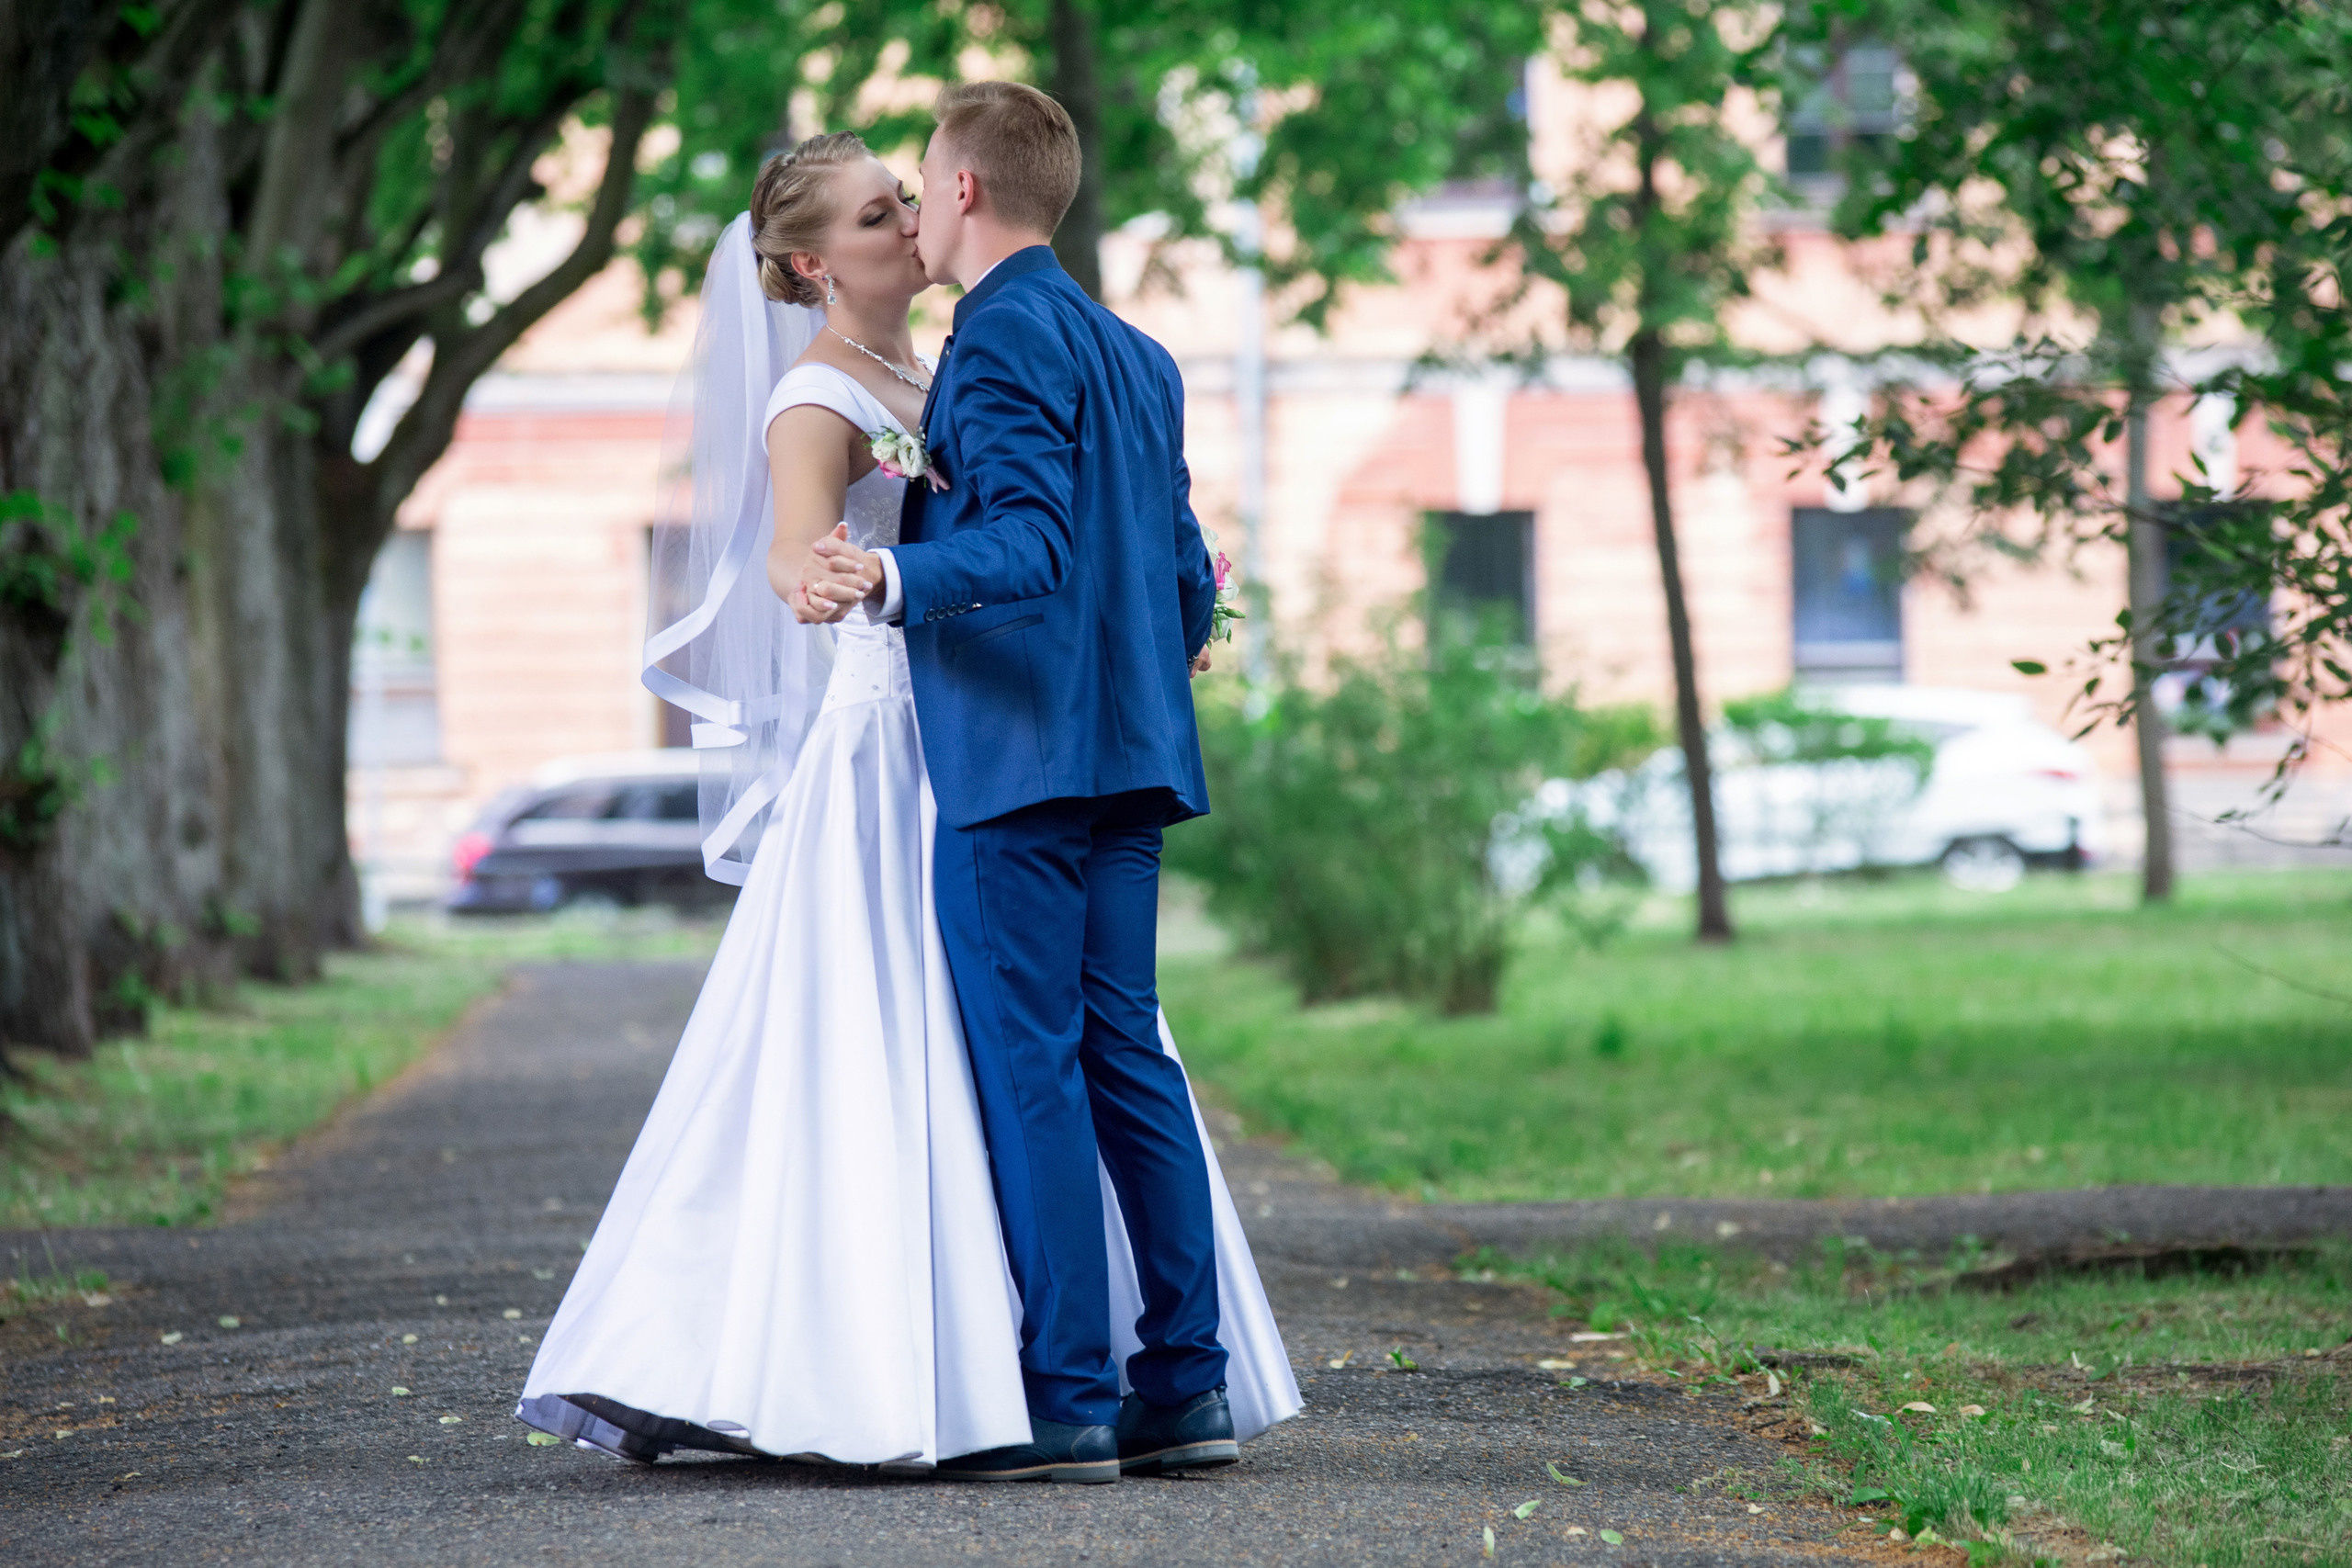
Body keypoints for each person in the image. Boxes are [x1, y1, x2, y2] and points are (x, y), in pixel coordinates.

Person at [513, 112, 1297, 1481]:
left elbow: (1035, 541)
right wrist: (848, 582)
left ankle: (1067, 1394)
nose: (908, 217)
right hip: (1002, 750)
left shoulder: (977, 352)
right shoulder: (1120, 351)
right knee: (1116, 1053)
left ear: (963, 187)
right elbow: (1162, 568)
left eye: (908, 193)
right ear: (811, 265)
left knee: (1039, 1064)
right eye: (877, 211)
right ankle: (1182, 1381)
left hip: (1002, 756)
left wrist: (889, 573)